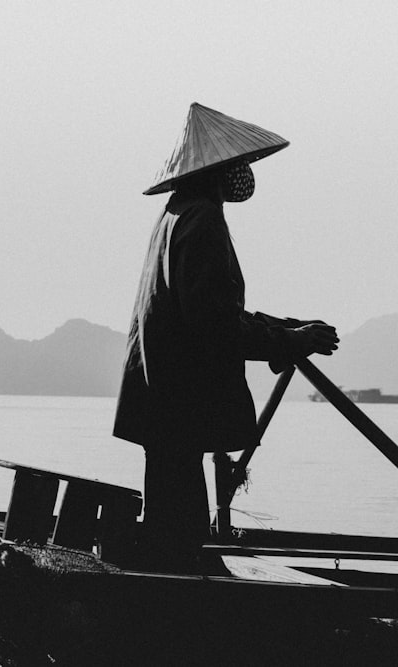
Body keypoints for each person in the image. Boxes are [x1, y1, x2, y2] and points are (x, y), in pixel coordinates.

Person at [113, 103, 339, 572]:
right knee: (179, 542)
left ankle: (175, 605)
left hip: (164, 402)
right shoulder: (203, 220)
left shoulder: (175, 215)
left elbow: (212, 309)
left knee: (170, 527)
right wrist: (289, 342)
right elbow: (216, 326)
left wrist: (284, 329)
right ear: (219, 171)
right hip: (178, 405)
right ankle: (186, 616)